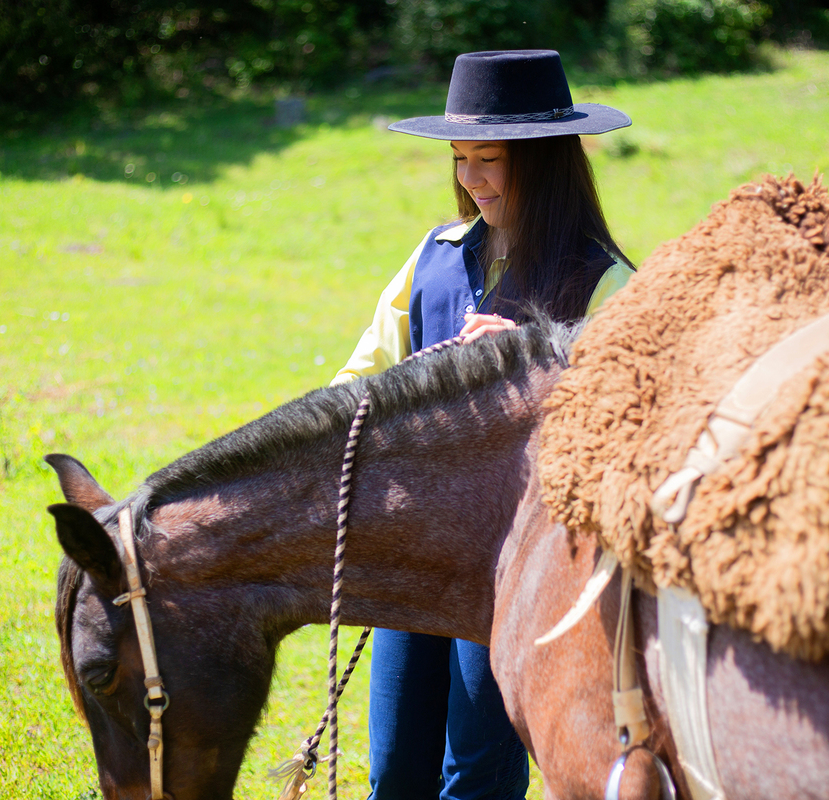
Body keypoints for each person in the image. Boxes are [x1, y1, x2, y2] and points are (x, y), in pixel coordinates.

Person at [331, 49, 635, 800]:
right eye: (462, 159)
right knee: (394, 771)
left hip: (520, 570)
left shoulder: (607, 282)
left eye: (490, 160)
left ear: (546, 162)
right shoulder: (430, 260)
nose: (473, 180)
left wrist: (538, 362)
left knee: (477, 776)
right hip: (415, 554)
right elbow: (354, 385)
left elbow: (632, 428)